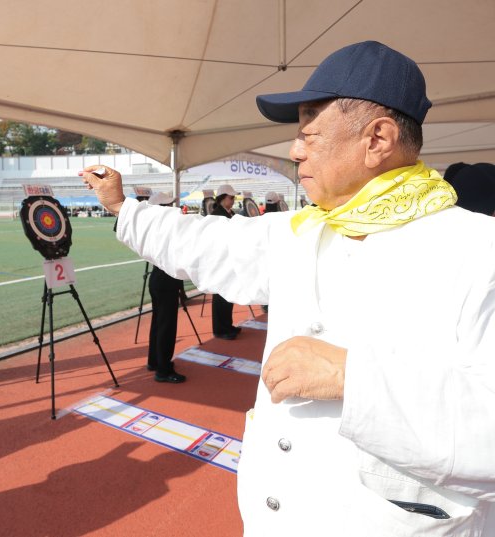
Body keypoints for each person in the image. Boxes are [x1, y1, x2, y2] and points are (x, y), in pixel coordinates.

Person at [82, 41, 495, 536]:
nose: (295, 150)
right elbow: (208, 242)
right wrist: (121, 206)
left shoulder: (477, 250)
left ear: (378, 138)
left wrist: (352, 379)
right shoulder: (305, 229)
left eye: (310, 134)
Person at [143, 192, 187, 383]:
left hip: (158, 279)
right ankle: (163, 369)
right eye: (169, 205)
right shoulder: (165, 228)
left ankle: (155, 361)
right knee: (166, 326)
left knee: (158, 323)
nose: (174, 208)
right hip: (166, 280)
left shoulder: (154, 226)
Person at [210, 184, 242, 340]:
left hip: (230, 259)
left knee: (228, 294)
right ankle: (220, 329)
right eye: (231, 197)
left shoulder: (229, 213)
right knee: (220, 295)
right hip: (220, 260)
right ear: (222, 198)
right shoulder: (216, 215)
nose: (234, 200)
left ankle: (227, 325)